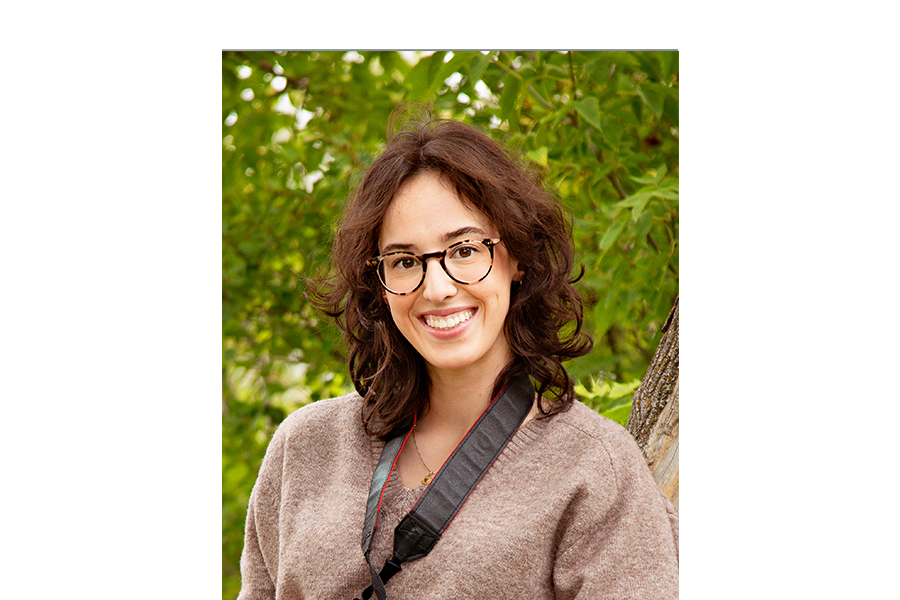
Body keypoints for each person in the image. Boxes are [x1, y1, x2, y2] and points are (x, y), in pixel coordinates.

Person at [237, 113, 679, 599]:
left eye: (465, 251)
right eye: (405, 261)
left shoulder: (594, 467)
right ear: (379, 285)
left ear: (517, 257)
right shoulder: (306, 448)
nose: (438, 288)